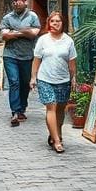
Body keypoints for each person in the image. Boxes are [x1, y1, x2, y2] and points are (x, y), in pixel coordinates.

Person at [29, 12, 76, 153]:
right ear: (49, 23)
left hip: (63, 79)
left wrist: (73, 78)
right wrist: (33, 77)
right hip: (45, 79)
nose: (55, 24)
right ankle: (57, 141)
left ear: (63, 24)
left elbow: (72, 63)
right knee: (51, 107)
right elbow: (36, 60)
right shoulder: (43, 40)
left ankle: (56, 132)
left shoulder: (68, 41)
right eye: (52, 21)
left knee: (60, 109)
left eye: (58, 21)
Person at [1, 0, 41, 126]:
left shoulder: (32, 16)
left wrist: (14, 32)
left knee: (25, 83)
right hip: (10, 55)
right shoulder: (7, 17)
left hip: (27, 56)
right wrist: (24, 31)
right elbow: (5, 36)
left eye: (19, 0)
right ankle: (15, 112)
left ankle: (22, 108)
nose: (16, 3)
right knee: (14, 82)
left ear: (25, 2)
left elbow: (34, 34)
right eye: (14, 1)